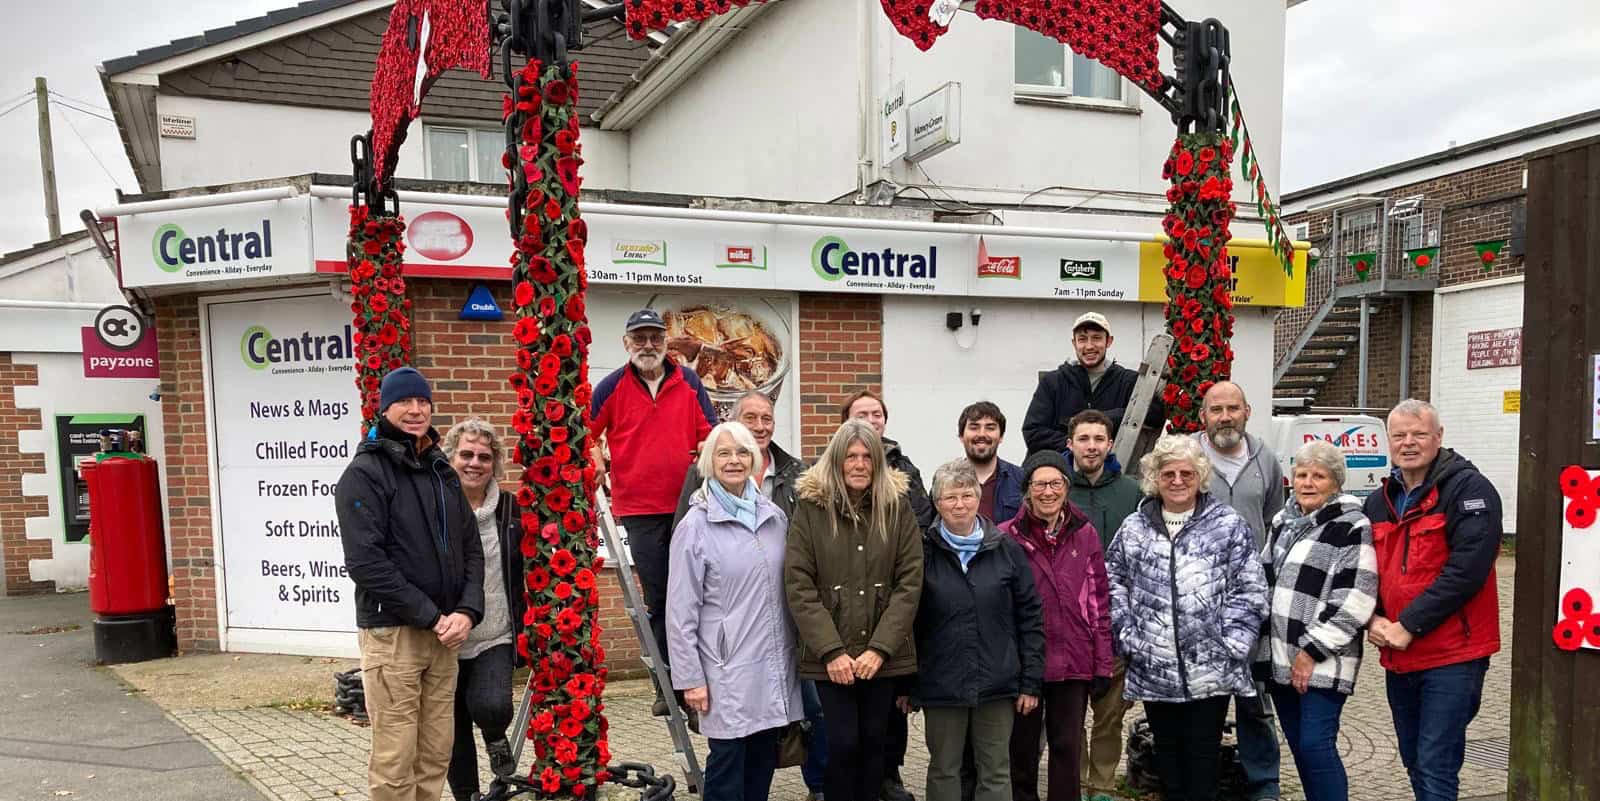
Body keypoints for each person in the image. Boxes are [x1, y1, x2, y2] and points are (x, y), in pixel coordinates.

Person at [336, 367, 484, 801]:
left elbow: (471, 549)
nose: (416, 410)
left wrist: (466, 612)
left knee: (436, 752)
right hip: (394, 635)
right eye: (405, 402)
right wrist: (431, 615)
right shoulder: (365, 473)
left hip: (445, 637)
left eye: (423, 401)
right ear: (385, 408)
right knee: (396, 759)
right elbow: (366, 563)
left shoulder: (441, 470)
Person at [672, 390, 827, 801]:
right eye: (724, 454)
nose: (735, 460)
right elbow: (680, 611)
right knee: (726, 766)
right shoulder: (696, 525)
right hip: (724, 670)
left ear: (755, 461)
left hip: (772, 666)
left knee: (762, 761)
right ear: (710, 462)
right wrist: (690, 679)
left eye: (742, 453)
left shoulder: (773, 518)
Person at [1105, 434, 1267, 801]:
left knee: (1203, 763)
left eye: (1187, 473)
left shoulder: (1226, 524)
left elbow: (1251, 589)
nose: (1178, 481)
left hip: (1211, 669)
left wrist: (1233, 643)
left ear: (1200, 476)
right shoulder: (1134, 528)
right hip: (1154, 667)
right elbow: (1112, 581)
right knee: (1169, 764)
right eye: (1168, 474)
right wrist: (1129, 637)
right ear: (1155, 478)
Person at [1364, 399, 1502, 801]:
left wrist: (1408, 624)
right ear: (1388, 441)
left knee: (1435, 761)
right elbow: (1364, 571)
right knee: (1412, 758)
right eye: (1399, 435)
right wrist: (1373, 619)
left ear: (1438, 438)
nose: (1408, 443)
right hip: (1398, 653)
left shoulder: (1469, 491)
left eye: (1419, 434)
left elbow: (1467, 571)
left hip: (1452, 656)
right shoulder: (1380, 500)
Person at [786, 420, 924, 801]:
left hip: (882, 656)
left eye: (867, 456)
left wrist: (879, 649)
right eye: (851, 456)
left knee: (875, 744)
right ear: (837, 460)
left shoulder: (896, 508)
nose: (860, 464)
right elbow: (799, 584)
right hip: (833, 658)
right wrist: (831, 651)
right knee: (843, 744)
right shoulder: (811, 510)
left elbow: (909, 582)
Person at [591, 307, 717, 716]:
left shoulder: (689, 382)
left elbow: (709, 436)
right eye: (639, 338)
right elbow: (586, 435)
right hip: (640, 510)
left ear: (666, 342)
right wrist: (595, 458)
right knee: (661, 598)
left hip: (690, 506)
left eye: (655, 337)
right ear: (626, 343)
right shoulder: (610, 387)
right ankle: (666, 683)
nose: (648, 345)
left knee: (697, 594)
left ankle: (698, 676)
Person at [910, 459, 1043, 801]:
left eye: (967, 495)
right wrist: (907, 685)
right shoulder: (922, 552)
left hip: (997, 682)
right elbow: (908, 621)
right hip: (942, 682)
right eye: (950, 497)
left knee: (996, 769)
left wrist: (1030, 681)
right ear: (937, 502)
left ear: (978, 496)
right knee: (944, 768)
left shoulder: (1005, 548)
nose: (959, 504)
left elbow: (1029, 616)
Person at [1256, 440, 1379, 801]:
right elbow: (1264, 578)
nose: (1308, 483)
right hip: (1280, 657)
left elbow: (1356, 597)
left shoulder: (1352, 525)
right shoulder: (1283, 520)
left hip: (1322, 660)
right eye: (1301, 474)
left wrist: (1311, 651)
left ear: (1336, 483)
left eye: (1319, 476)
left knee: (1315, 745)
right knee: (1300, 748)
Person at [1190, 381, 1285, 801]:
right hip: (1196, 602)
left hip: (1250, 602)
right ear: (1203, 416)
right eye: (1216, 409)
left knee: (1254, 697)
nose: (1225, 416)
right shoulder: (1185, 457)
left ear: (1247, 411)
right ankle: (1201, 783)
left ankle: (1263, 783)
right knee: (1201, 700)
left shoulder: (1265, 459)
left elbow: (1275, 521)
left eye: (1233, 408)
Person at [999, 451, 1113, 801]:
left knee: (1067, 747)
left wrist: (1103, 661)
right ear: (1027, 490)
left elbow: (1099, 601)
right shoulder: (1006, 537)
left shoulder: (1086, 534)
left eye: (1055, 483)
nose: (1048, 492)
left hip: (1074, 659)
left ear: (1066, 486)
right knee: (1022, 749)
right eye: (1039, 484)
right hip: (1024, 663)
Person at [840, 389, 929, 801]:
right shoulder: (825, 478)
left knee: (887, 719)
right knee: (843, 732)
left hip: (890, 623)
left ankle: (889, 778)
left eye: (878, 414)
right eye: (863, 413)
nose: (872, 420)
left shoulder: (904, 472)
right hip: (839, 630)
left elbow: (918, 541)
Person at [441, 419, 526, 801]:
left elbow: (524, 567)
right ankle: (467, 797)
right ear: (451, 458)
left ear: (495, 464)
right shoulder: (436, 508)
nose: (474, 463)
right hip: (444, 639)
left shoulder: (509, 509)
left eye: (484, 457)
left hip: (495, 632)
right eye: (466, 455)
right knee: (452, 730)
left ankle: (495, 738)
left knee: (491, 705)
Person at [1062, 411, 1142, 801]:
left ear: (1110, 444)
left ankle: (1103, 786)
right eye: (1083, 438)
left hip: (1115, 627)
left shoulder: (1131, 493)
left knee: (1109, 718)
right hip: (1070, 629)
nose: (1091, 446)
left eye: (1098, 438)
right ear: (1070, 444)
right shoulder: (1056, 490)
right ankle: (1073, 783)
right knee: (1069, 718)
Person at [1022, 312, 1164, 457]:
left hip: (1111, 471)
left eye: (1096, 338)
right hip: (1060, 473)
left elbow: (1156, 414)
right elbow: (1033, 432)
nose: (1089, 346)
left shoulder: (1127, 381)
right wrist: (1078, 445)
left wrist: (1106, 417)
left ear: (1109, 341)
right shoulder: (1053, 382)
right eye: (1082, 339)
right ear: (1074, 343)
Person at [957, 401, 1024, 524]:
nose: (982, 434)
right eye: (974, 427)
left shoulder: (1021, 479)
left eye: (990, 428)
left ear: (1001, 436)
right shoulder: (945, 480)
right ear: (961, 436)